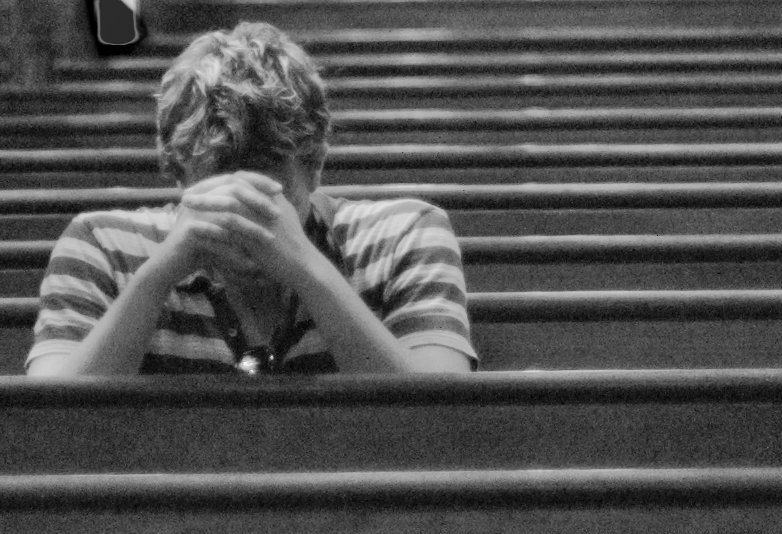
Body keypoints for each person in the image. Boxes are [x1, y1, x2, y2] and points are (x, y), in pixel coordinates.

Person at [28, 21, 475, 375]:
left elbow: (440, 419)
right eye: (219, 192)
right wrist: (159, 275)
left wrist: (306, 267)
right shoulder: (100, 246)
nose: (244, 221)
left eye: (269, 196)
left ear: (316, 164)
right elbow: (50, 423)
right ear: (176, 171)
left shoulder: (405, 233)